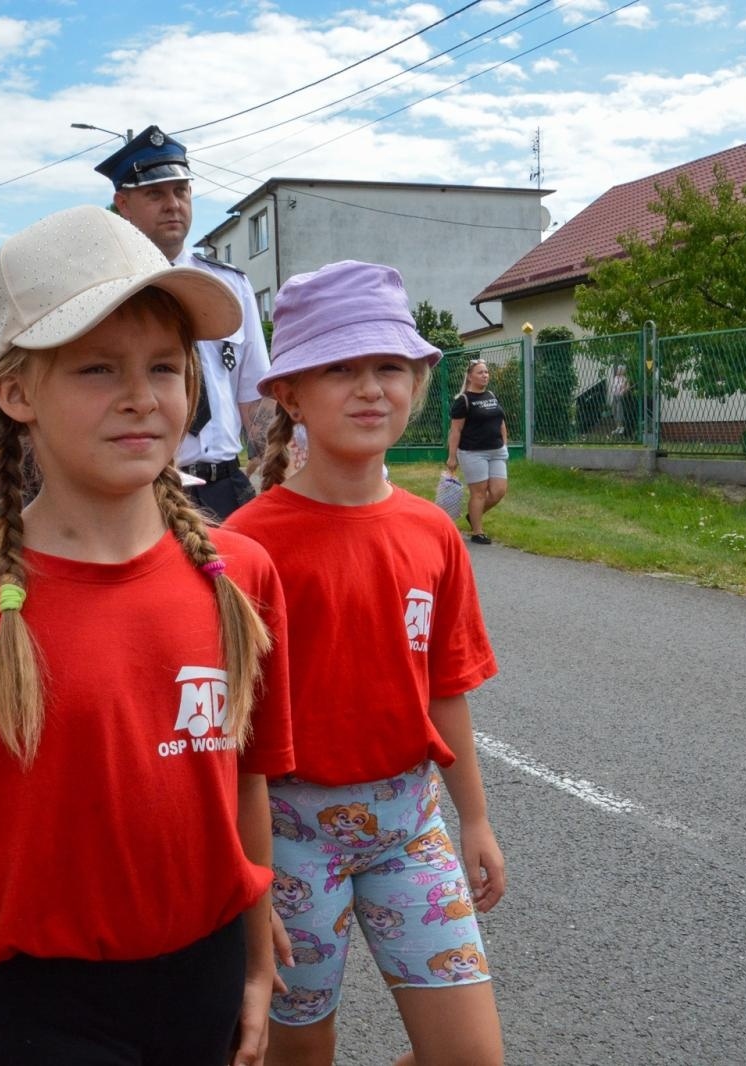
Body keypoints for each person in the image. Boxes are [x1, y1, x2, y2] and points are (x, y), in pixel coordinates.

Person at [0, 205, 294, 1066]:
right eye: (99, 368)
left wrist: (254, 964)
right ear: (17, 392)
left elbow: (244, 788)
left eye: (165, 368)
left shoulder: (240, 576)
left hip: (206, 978)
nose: (143, 396)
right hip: (44, 1004)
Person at [226, 260, 506, 1066]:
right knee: (301, 1051)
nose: (369, 388)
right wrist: (243, 876)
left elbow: (446, 685)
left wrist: (475, 819)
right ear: (289, 394)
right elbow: (222, 732)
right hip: (286, 837)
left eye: (389, 366)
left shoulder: (434, 533)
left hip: (409, 826)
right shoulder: (244, 544)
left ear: (419, 382)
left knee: (471, 1057)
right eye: (340, 368)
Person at [97, 125, 271, 519]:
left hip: (226, 488)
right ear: (123, 204)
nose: (172, 204)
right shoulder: (107, 290)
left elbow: (254, 396)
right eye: (154, 194)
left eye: (181, 191)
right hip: (143, 488)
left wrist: (273, 468)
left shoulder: (230, 285)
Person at [445, 358, 509, 545]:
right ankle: (477, 531)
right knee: (479, 493)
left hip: (496, 451)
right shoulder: (463, 400)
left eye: (486, 372)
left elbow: (501, 421)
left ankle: (473, 516)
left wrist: (504, 443)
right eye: (480, 372)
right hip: (473, 452)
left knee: (498, 491)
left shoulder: (491, 395)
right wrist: (452, 456)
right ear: (470, 376)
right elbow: (455, 430)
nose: (485, 375)